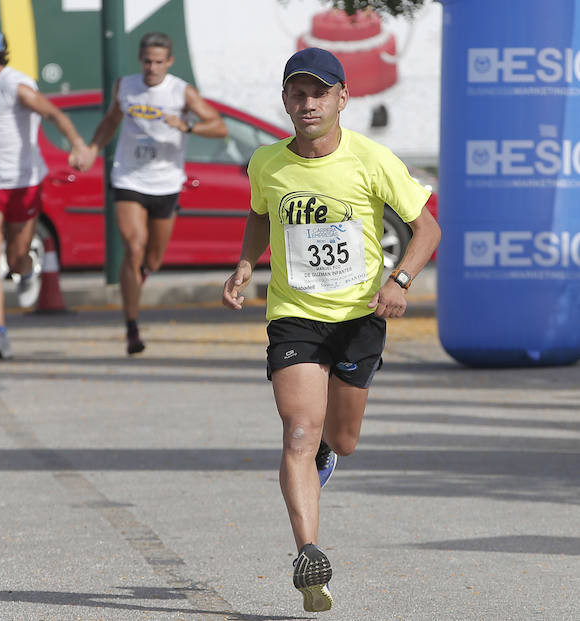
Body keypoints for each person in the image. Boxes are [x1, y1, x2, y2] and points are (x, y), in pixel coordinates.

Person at [221, 48, 440, 613]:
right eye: (298, 92)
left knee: (339, 439)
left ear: (343, 98)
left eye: (320, 92)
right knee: (298, 428)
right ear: (286, 100)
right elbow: (259, 212)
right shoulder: (267, 162)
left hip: (361, 315)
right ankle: (309, 555)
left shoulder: (372, 159)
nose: (308, 102)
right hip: (294, 315)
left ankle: (328, 453)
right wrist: (247, 262)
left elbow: (427, 228)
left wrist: (401, 280)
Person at [0, 26, 90, 359]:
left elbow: (54, 114)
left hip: (22, 184)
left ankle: (26, 269)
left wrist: (78, 145)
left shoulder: (18, 86)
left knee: (15, 257)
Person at [79, 32, 227, 355]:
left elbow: (218, 126)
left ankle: (139, 275)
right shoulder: (126, 86)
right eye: (147, 61)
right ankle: (132, 327)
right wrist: (92, 148)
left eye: (159, 62)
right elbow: (110, 121)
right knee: (133, 246)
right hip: (129, 177)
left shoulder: (181, 91)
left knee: (153, 259)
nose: (152, 68)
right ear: (140, 59)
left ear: (169, 62)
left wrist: (186, 127)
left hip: (167, 182)